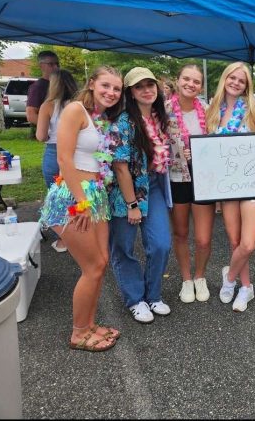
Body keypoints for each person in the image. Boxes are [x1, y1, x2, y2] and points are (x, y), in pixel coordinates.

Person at [39, 65, 124, 352]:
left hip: (95, 195)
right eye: (106, 86)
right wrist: (82, 202)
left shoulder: (99, 118)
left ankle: (88, 325)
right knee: (92, 267)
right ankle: (78, 333)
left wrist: (93, 199)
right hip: (74, 199)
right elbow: (64, 159)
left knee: (100, 264)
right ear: (91, 84)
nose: (111, 92)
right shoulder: (75, 109)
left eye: (116, 88)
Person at [107, 67, 172, 324]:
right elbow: (120, 166)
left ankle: (153, 294)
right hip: (127, 190)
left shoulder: (160, 118)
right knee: (123, 247)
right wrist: (132, 203)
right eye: (139, 86)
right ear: (131, 93)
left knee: (160, 244)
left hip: (153, 185)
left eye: (150, 84)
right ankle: (135, 299)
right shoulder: (124, 122)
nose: (146, 89)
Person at [206, 62, 255, 312]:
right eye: (232, 77)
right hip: (226, 185)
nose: (236, 83)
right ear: (225, 79)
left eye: (242, 80)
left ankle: (229, 277)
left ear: (247, 85)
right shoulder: (212, 110)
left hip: (251, 183)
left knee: (248, 243)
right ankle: (246, 287)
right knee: (234, 240)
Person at [165, 64, 215, 304]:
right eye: (186, 79)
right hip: (177, 178)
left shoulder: (207, 110)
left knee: (204, 238)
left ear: (201, 86)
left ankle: (200, 276)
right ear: (178, 80)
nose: (190, 84)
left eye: (196, 81)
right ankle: (186, 279)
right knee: (181, 232)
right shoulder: (163, 110)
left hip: (204, 178)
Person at [35, 69, 78, 253]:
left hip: (54, 152)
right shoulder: (79, 104)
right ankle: (79, 233)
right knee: (76, 195)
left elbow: (41, 135)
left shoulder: (48, 105)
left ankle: (64, 239)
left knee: (57, 198)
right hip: (77, 153)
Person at [26, 50, 60, 124]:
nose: (56, 67)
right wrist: (51, 129)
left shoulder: (61, 83)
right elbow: (31, 115)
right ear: (41, 66)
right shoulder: (37, 87)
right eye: (51, 64)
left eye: (57, 64)